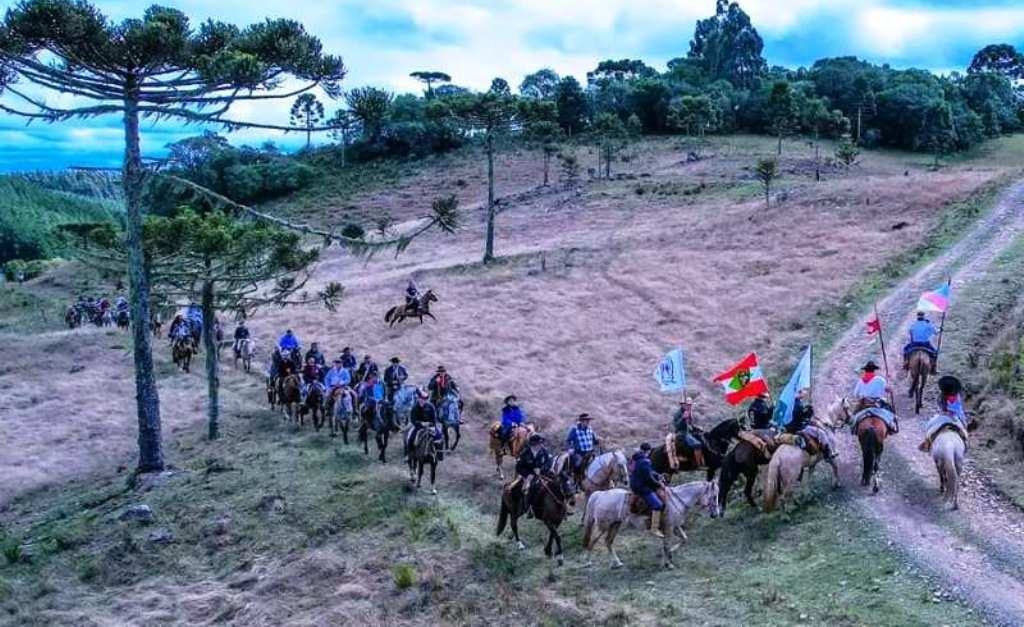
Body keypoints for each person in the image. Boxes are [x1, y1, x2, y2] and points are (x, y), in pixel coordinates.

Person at [629, 443, 668, 536]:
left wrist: (657, 475)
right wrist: (659, 484)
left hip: (634, 483)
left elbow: (648, 472)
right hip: (641, 487)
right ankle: (654, 529)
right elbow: (648, 478)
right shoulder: (645, 461)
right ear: (648, 451)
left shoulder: (636, 458)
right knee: (658, 505)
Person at [515, 433, 552, 517]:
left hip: (543, 474)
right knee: (528, 488)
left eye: (541, 443)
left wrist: (541, 470)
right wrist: (528, 474)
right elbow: (518, 467)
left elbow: (549, 462)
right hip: (528, 475)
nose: (540, 445)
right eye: (538, 443)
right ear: (533, 444)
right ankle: (528, 508)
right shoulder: (525, 453)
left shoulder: (544, 451)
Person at [407, 388, 439, 459]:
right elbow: (413, 420)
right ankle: (409, 454)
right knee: (411, 437)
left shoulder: (431, 407)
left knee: (439, 435)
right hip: (418, 427)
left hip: (430, 426)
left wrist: (430, 424)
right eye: (421, 399)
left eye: (424, 399)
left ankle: (439, 454)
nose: (422, 401)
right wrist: (421, 424)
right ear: (418, 399)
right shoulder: (415, 407)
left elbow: (434, 418)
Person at [671, 397, 704, 465]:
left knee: (703, 439)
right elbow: (676, 425)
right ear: (682, 405)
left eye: (690, 405)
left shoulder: (688, 412)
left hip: (689, 432)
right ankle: (698, 464)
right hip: (681, 433)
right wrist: (683, 418)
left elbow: (689, 425)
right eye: (688, 405)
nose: (690, 406)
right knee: (697, 444)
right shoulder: (678, 414)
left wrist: (697, 428)